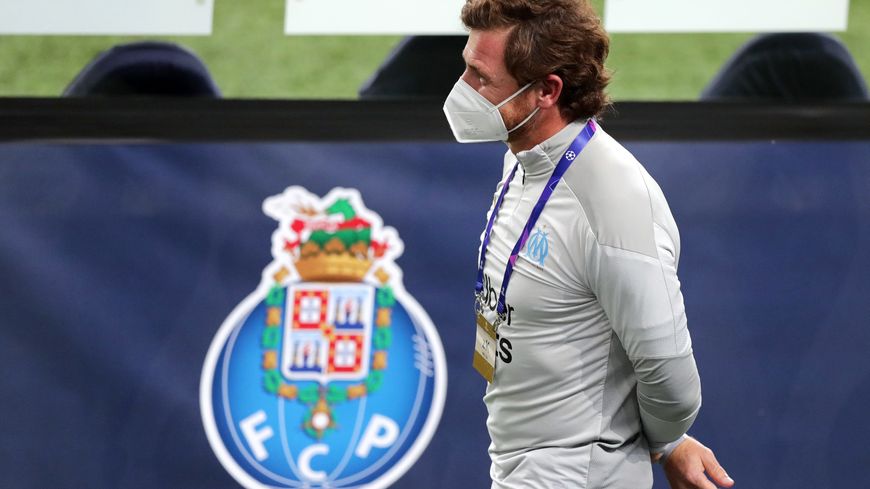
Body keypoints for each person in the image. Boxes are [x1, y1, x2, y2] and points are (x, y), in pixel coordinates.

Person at [441, 1, 735, 488]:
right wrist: (668, 444)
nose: (463, 88)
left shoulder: (614, 201)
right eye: (466, 67)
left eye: (481, 77)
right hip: (521, 468)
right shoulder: (524, 157)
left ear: (546, 91)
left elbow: (671, 377)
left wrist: (663, 438)